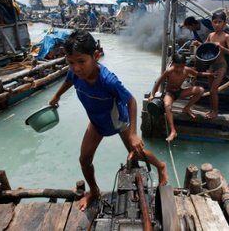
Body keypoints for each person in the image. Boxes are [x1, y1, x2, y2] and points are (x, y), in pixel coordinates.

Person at [49, 30, 167, 211]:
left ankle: (160, 166)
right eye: (71, 62)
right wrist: (57, 95)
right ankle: (94, 190)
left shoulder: (108, 80)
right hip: (96, 122)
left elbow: (131, 101)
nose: (76, 68)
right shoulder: (75, 74)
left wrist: (134, 134)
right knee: (84, 159)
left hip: (118, 121)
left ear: (95, 56)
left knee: (136, 153)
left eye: (81, 61)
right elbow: (68, 80)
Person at [149, 53, 215, 141]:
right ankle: (173, 131)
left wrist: (210, 74)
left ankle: (186, 108)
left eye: (181, 66)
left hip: (180, 92)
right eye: (177, 66)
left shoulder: (187, 70)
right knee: (167, 105)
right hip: (170, 93)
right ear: (173, 64)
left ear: (184, 64)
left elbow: (198, 73)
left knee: (200, 90)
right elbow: (158, 82)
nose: (179, 69)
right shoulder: (169, 71)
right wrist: (152, 94)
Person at [204, 11, 229, 119]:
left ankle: (215, 112)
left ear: (224, 23)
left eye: (220, 22)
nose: (217, 24)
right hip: (212, 66)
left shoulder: (226, 36)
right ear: (212, 23)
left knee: (214, 90)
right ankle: (211, 109)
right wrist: (197, 44)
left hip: (221, 65)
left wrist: (222, 47)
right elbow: (205, 46)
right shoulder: (211, 35)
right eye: (215, 22)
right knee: (210, 89)